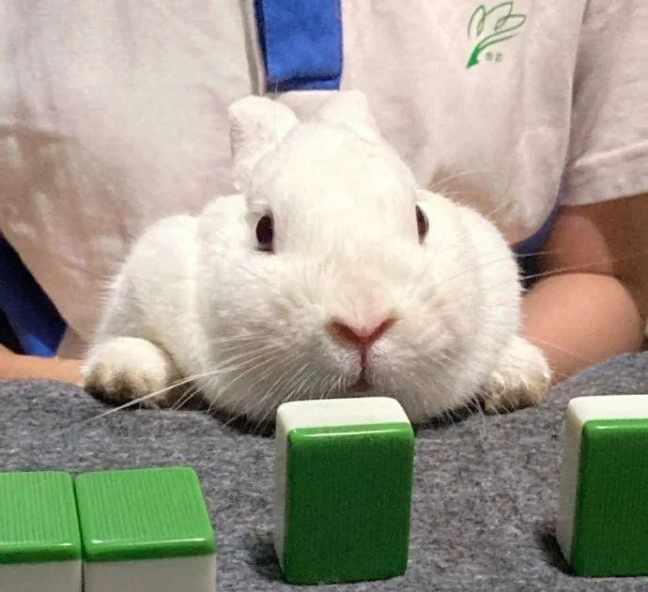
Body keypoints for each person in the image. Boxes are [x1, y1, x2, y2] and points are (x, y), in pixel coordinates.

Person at [0, 0, 646, 386]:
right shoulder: (172, 260)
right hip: (90, 400)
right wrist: (164, 392)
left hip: (469, 405)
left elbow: (608, 273)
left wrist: (472, 377)